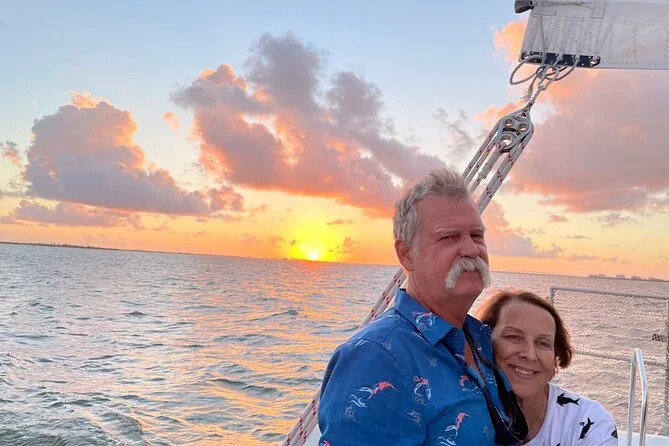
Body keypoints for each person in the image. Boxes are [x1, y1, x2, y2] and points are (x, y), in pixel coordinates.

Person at [318, 167, 527, 445]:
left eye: (477, 235)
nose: (471, 249)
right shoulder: (376, 358)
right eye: (449, 237)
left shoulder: (478, 339)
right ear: (406, 254)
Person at [476, 289, 618, 445]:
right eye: (514, 337)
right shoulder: (462, 413)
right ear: (483, 342)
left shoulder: (589, 420)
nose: (530, 354)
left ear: (555, 359)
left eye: (543, 343)